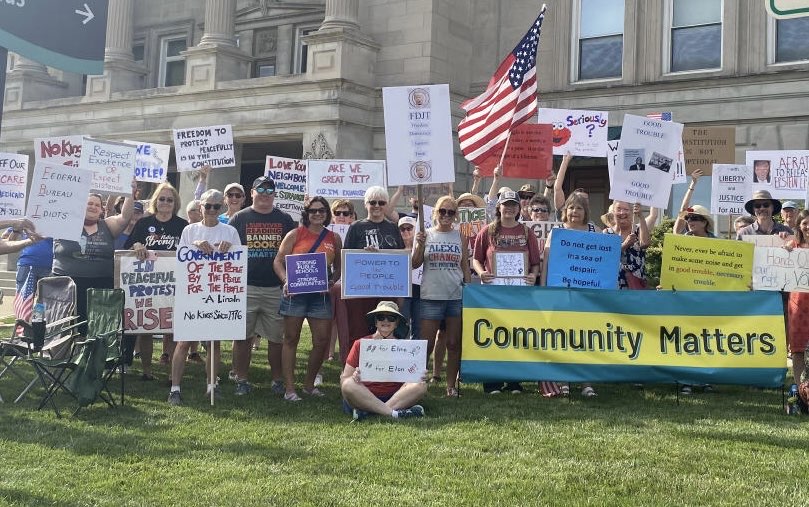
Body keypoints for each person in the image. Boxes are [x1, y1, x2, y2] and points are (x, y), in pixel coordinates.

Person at [168, 190, 241, 406]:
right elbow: (182, 259)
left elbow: (238, 260)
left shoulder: (230, 231)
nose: (211, 210)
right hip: (192, 292)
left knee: (213, 343)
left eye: (216, 207)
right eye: (207, 206)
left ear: (221, 208)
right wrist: (195, 245)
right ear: (200, 207)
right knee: (183, 342)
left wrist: (231, 248)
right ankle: (175, 388)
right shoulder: (189, 231)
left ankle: (212, 385)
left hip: (219, 293)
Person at [228, 176, 296, 396]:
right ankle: (241, 379)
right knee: (242, 337)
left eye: (270, 189)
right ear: (252, 192)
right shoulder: (239, 218)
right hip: (245, 286)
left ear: (274, 194)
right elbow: (226, 245)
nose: (266, 193)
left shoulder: (285, 219)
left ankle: (277, 379)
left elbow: (295, 251)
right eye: (261, 189)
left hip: (275, 287)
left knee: (276, 339)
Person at [273, 196, 342, 401]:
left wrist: (331, 282)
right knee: (291, 339)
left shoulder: (333, 238)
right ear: (306, 213)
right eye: (313, 211)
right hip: (295, 295)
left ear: (327, 213)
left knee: (321, 341)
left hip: (320, 297)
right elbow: (278, 261)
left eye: (321, 210)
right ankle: (290, 388)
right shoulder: (295, 234)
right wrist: (286, 280)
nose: (318, 214)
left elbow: (339, 266)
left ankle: (309, 384)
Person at [472, 190, 540, 394]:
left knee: (516, 334)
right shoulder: (488, 231)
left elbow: (535, 263)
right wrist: (481, 272)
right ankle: (492, 382)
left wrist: (533, 275)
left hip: (518, 293)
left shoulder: (527, 232)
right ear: (498, 207)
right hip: (493, 292)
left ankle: (514, 381)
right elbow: (476, 258)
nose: (509, 208)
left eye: (513, 204)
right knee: (492, 333)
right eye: (506, 204)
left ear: (519, 208)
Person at [125, 182, 188, 380]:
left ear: (175, 202)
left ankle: (171, 373)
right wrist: (136, 245)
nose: (165, 203)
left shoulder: (183, 226)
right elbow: (127, 250)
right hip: (147, 284)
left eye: (170, 200)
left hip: (174, 283)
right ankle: (147, 371)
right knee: (146, 329)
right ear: (155, 201)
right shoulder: (144, 223)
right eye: (162, 199)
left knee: (172, 328)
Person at [52, 185, 135, 333]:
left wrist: (130, 191)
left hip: (100, 285)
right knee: (65, 328)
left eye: (97, 205)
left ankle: (92, 354)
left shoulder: (107, 225)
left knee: (97, 328)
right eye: (89, 203)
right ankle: (64, 353)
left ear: (102, 210)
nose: (93, 207)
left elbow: (125, 217)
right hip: (67, 285)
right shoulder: (64, 222)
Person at [412, 196, 470, 397]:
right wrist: (419, 245)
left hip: (455, 296)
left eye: (451, 212)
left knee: (453, 343)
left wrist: (469, 291)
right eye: (443, 211)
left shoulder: (460, 237)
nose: (446, 215)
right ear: (435, 213)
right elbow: (414, 264)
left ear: (455, 215)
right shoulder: (424, 234)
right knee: (426, 344)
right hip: (431, 296)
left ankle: (450, 386)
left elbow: (465, 268)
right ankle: (417, 382)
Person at [340, 301, 427, 421]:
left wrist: (418, 375)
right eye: (381, 317)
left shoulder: (405, 348)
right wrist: (355, 377)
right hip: (364, 394)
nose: (385, 321)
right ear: (376, 322)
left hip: (395, 396)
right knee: (348, 385)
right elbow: (345, 379)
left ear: (396, 323)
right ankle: (395, 413)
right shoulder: (360, 344)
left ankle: (371, 412)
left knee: (420, 385)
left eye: (391, 318)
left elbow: (410, 376)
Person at [342, 186, 405, 346]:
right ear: (365, 204)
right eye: (372, 202)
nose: (377, 206)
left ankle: (382, 366)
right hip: (360, 289)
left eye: (381, 202)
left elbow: (399, 258)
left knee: (386, 329)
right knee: (358, 329)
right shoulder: (356, 227)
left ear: (386, 205)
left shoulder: (392, 227)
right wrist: (363, 254)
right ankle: (353, 367)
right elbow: (346, 258)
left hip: (387, 288)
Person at [328, 198, 356, 363]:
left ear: (352, 216)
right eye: (337, 213)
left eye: (345, 213)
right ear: (332, 216)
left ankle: (347, 354)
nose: (341, 216)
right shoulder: (328, 234)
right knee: (331, 320)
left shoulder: (357, 231)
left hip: (352, 282)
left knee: (347, 321)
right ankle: (330, 353)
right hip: (332, 280)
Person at [784, 210, 809, 385]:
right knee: (798, 349)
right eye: (805, 223)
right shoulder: (792, 246)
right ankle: (801, 392)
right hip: (798, 304)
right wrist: (783, 253)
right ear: (799, 226)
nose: (808, 227)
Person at [604, 202, 651, 289]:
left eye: (626, 209)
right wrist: (625, 244)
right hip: (614, 286)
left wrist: (641, 216)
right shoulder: (607, 233)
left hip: (635, 286)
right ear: (613, 212)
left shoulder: (639, 230)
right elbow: (605, 257)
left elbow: (645, 243)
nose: (622, 213)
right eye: (618, 209)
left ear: (632, 212)